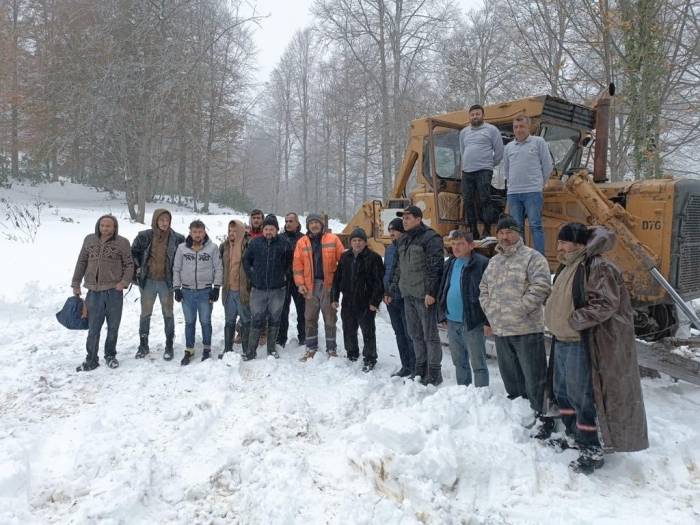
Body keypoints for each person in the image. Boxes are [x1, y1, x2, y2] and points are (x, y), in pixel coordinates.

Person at [545, 223, 649, 474]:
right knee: (563, 392)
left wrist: (572, 320)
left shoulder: (598, 266)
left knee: (582, 397)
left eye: (564, 242)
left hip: (580, 342)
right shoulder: (570, 264)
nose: (558, 247)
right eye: (559, 242)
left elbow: (604, 304)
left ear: (579, 244)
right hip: (561, 339)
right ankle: (572, 434)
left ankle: (591, 448)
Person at [479, 215, 553, 435]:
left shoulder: (533, 258)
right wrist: (491, 311)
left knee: (534, 378)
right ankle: (518, 412)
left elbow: (541, 286)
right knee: (510, 377)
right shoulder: (494, 261)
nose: (505, 236)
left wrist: (520, 308)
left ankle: (543, 419)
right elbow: (483, 289)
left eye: (509, 232)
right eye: (501, 233)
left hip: (526, 328)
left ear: (518, 233)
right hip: (501, 329)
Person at [387, 205, 445, 386]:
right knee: (415, 335)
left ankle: (434, 372)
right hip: (408, 295)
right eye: (403, 218)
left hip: (423, 295)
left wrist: (431, 292)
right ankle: (420, 369)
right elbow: (399, 268)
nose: (404, 220)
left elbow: (435, 267)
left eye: (408, 217)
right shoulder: (404, 240)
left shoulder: (430, 238)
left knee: (430, 335)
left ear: (419, 219)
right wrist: (392, 289)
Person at [71, 214, 134, 371]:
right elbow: (81, 262)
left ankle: (110, 355)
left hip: (114, 291)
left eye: (109, 226)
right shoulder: (89, 240)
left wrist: (124, 283)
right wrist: (76, 283)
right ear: (98, 226)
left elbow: (129, 265)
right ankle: (91, 358)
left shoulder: (122, 243)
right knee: (93, 328)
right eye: (102, 225)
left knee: (113, 327)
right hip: (93, 291)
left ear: (114, 227)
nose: (105, 228)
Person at [131, 209, 185, 361]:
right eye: (161, 220)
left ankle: (169, 345)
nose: (164, 222)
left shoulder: (178, 239)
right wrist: (138, 266)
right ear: (155, 220)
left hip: (166, 282)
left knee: (168, 314)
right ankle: (143, 345)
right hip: (148, 282)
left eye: (167, 220)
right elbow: (133, 252)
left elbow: (187, 254)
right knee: (145, 314)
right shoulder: (144, 236)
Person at [438, 230, 490, 387]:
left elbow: (490, 294)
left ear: (471, 245)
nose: (456, 248)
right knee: (459, 362)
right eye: (453, 244)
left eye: (460, 244)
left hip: (472, 322)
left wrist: (488, 321)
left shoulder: (482, 264)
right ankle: (463, 392)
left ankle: (481, 394)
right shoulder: (450, 263)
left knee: (478, 363)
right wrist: (442, 314)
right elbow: (443, 288)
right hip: (452, 321)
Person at [332, 228, 384, 372]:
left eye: (360, 240)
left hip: (366, 302)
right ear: (351, 242)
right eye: (354, 240)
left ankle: (370, 358)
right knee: (348, 329)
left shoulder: (374, 258)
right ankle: (352, 353)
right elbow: (337, 279)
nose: (357, 243)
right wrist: (334, 297)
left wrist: (374, 301)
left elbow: (379, 282)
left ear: (365, 242)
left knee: (368, 331)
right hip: (348, 300)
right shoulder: (345, 257)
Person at [293, 213, 345, 360]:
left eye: (316, 222)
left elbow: (343, 260)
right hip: (310, 286)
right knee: (309, 317)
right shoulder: (302, 242)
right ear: (308, 226)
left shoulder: (333, 239)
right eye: (311, 223)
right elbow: (297, 266)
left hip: (328, 285)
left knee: (330, 318)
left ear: (322, 225)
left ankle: (331, 349)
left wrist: (339, 283)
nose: (314, 225)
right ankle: (310, 347)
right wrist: (300, 284)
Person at [172, 220, 223, 365]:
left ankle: (207, 348)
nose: (197, 235)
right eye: (194, 232)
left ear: (204, 232)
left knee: (205, 322)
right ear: (190, 232)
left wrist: (216, 288)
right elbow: (176, 269)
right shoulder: (182, 248)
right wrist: (177, 288)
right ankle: (189, 349)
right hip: (187, 292)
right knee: (189, 322)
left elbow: (218, 268)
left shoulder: (212, 248)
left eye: (200, 232)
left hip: (205, 291)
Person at [243, 215, 292, 360]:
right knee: (256, 319)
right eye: (266, 229)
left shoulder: (284, 243)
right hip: (258, 289)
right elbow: (246, 260)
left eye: (272, 229)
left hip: (277, 289)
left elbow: (290, 261)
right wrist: (251, 276)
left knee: (275, 319)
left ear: (277, 230)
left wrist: (285, 275)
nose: (269, 231)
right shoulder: (255, 243)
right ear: (263, 230)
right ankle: (251, 351)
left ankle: (271, 349)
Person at [502, 114, 553, 254]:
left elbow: (548, 165)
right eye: (516, 127)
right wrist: (512, 185)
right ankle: (520, 256)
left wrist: (539, 184)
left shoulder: (538, 142)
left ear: (528, 127)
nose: (519, 130)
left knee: (535, 225)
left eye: (522, 126)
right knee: (516, 227)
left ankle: (540, 258)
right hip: (513, 194)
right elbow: (506, 170)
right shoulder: (508, 148)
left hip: (533, 192)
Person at [459, 104, 504, 239]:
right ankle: (473, 230)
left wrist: (490, 164)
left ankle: (486, 228)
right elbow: (463, 150)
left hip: (484, 170)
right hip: (467, 171)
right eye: (472, 115)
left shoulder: (492, 130)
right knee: (468, 200)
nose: (475, 117)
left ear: (483, 115)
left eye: (477, 114)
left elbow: (499, 151)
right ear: (469, 117)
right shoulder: (464, 132)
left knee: (484, 199)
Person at [383, 218, 415, 377]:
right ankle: (406, 366)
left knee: (410, 333)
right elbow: (387, 273)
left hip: (404, 297)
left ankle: (415, 367)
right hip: (390, 298)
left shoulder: (408, 248)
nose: (391, 233)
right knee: (399, 333)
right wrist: (385, 292)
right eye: (390, 231)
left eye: (394, 230)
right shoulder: (389, 250)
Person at [219, 219, 251, 359]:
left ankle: (247, 350)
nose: (232, 233)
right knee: (229, 320)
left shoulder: (248, 245)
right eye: (230, 231)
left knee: (245, 320)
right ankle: (227, 349)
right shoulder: (224, 246)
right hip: (228, 290)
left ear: (241, 231)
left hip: (243, 290)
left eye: (235, 231)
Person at [278, 212, 306, 347]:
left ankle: (304, 338)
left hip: (299, 280)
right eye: (286, 221)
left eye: (291, 221)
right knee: (283, 311)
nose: (288, 224)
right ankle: (281, 339)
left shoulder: (304, 239)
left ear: (297, 223)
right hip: (283, 279)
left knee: (302, 310)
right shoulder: (280, 238)